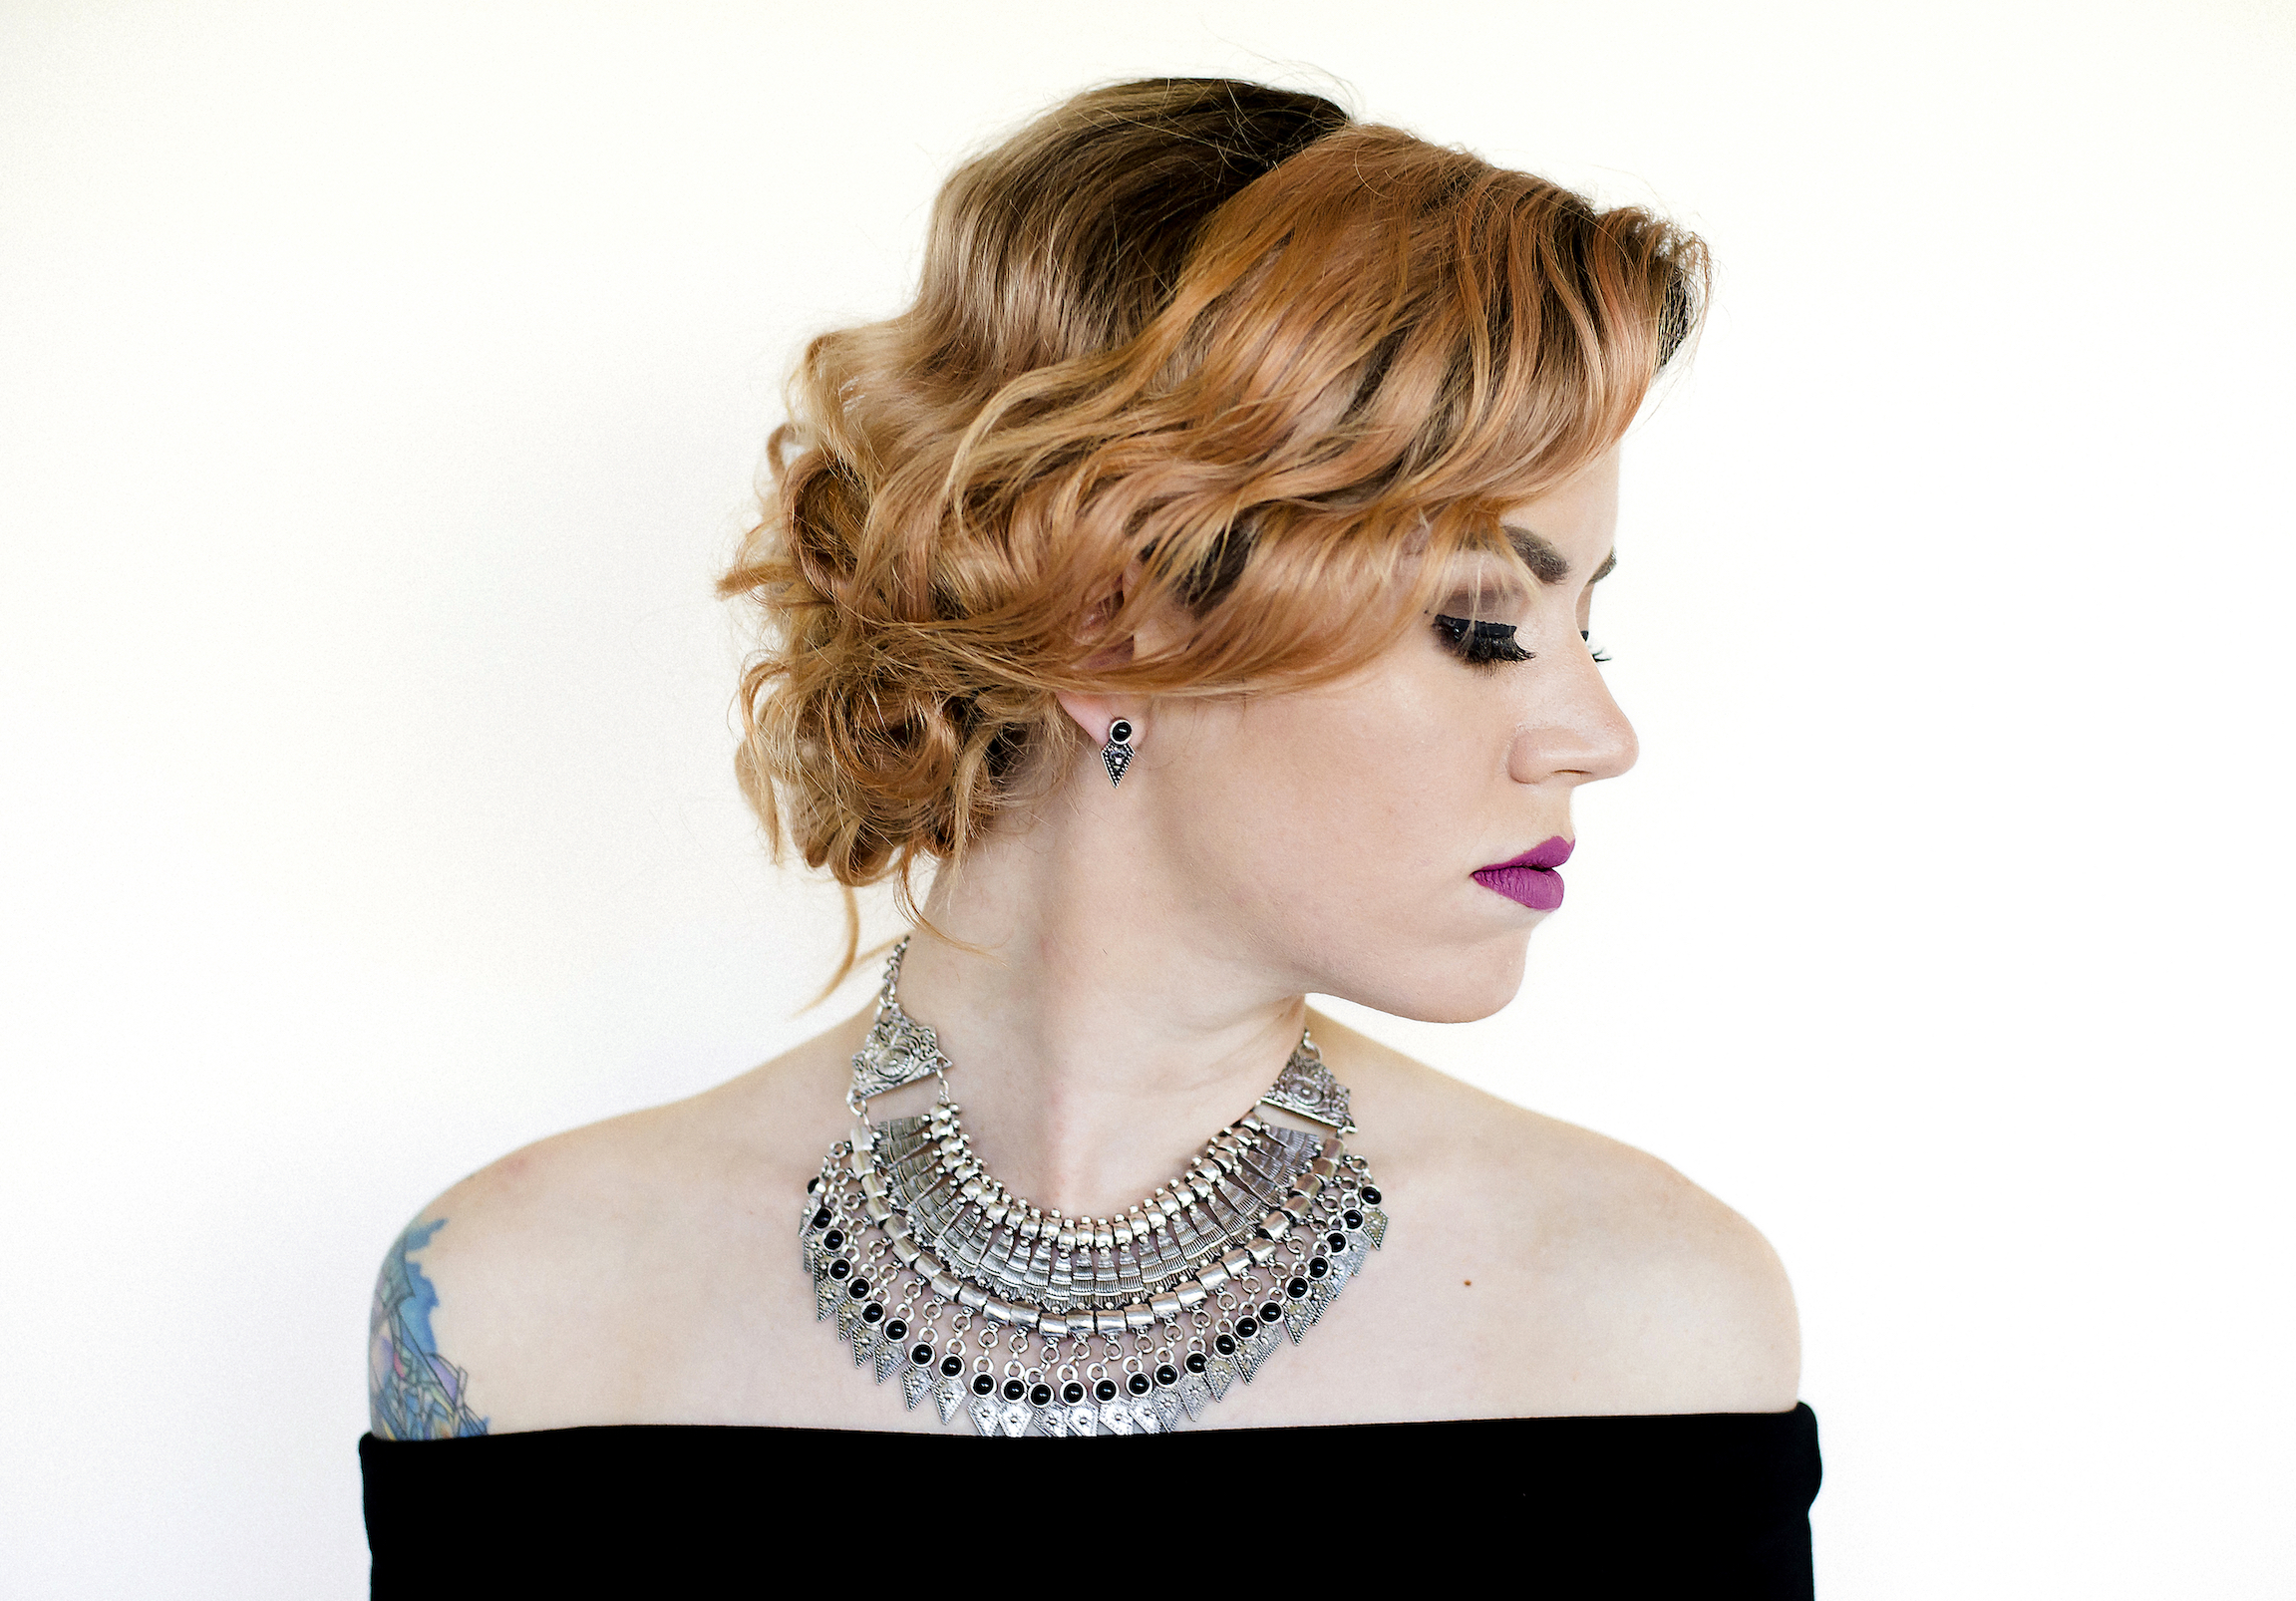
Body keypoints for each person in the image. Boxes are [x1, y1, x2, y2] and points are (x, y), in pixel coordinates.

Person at [360, 77, 1817, 1591]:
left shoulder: (1644, 1328)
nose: (1597, 736)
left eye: (1589, 627)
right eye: (1483, 625)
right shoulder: (512, 1320)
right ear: (1109, 630)